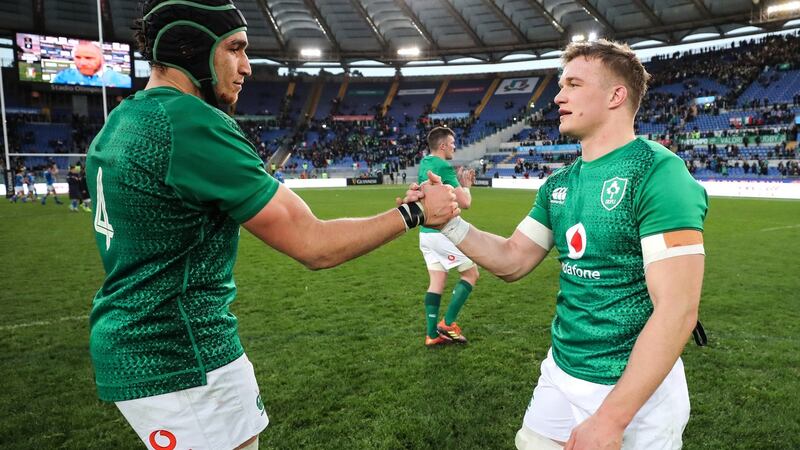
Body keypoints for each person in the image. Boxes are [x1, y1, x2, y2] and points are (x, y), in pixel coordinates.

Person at [84, 2, 457, 449]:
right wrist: (415, 214)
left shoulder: (123, 119)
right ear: (192, 48)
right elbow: (314, 243)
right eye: (235, 49)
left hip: (137, 340)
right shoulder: (187, 123)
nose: (246, 67)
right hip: (183, 351)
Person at [410, 40, 708, 449]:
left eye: (572, 84)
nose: (558, 95)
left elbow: (678, 309)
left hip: (635, 393)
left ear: (616, 95)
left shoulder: (657, 172)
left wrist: (610, 419)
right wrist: (449, 223)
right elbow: (512, 259)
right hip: (562, 371)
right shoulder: (559, 184)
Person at [417, 127, 479, 346]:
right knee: (471, 274)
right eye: (452, 143)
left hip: (425, 233)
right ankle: (447, 323)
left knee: (437, 281)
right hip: (442, 232)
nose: (455, 146)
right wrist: (467, 186)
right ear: (442, 145)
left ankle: (432, 335)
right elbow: (465, 203)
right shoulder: (443, 166)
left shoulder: (425, 163)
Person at [51, 40, 131, 87]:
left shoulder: (123, 81)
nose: (82, 62)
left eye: (88, 58)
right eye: (78, 57)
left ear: (102, 58)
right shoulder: (63, 77)